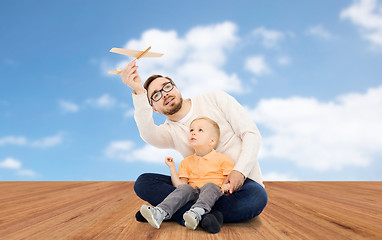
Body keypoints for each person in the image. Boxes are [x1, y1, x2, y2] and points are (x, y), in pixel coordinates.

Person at [121, 60, 268, 233]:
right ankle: (204, 216)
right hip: (196, 189)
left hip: (237, 185)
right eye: (156, 95)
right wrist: (139, 92)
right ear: (154, 109)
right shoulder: (169, 131)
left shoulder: (214, 98)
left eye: (167, 87)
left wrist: (240, 171)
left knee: (257, 197)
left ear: (176, 87)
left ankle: (169, 211)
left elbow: (251, 133)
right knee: (143, 183)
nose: (165, 94)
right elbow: (148, 134)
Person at [140, 117, 234, 233]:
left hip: (215, 193)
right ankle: (160, 212)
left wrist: (226, 186)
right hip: (194, 194)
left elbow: (231, 180)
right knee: (185, 188)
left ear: (212, 141)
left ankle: (196, 213)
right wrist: (172, 168)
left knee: (210, 186)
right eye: (191, 130)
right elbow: (180, 186)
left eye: (200, 130)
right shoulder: (186, 162)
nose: (193, 132)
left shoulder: (223, 159)